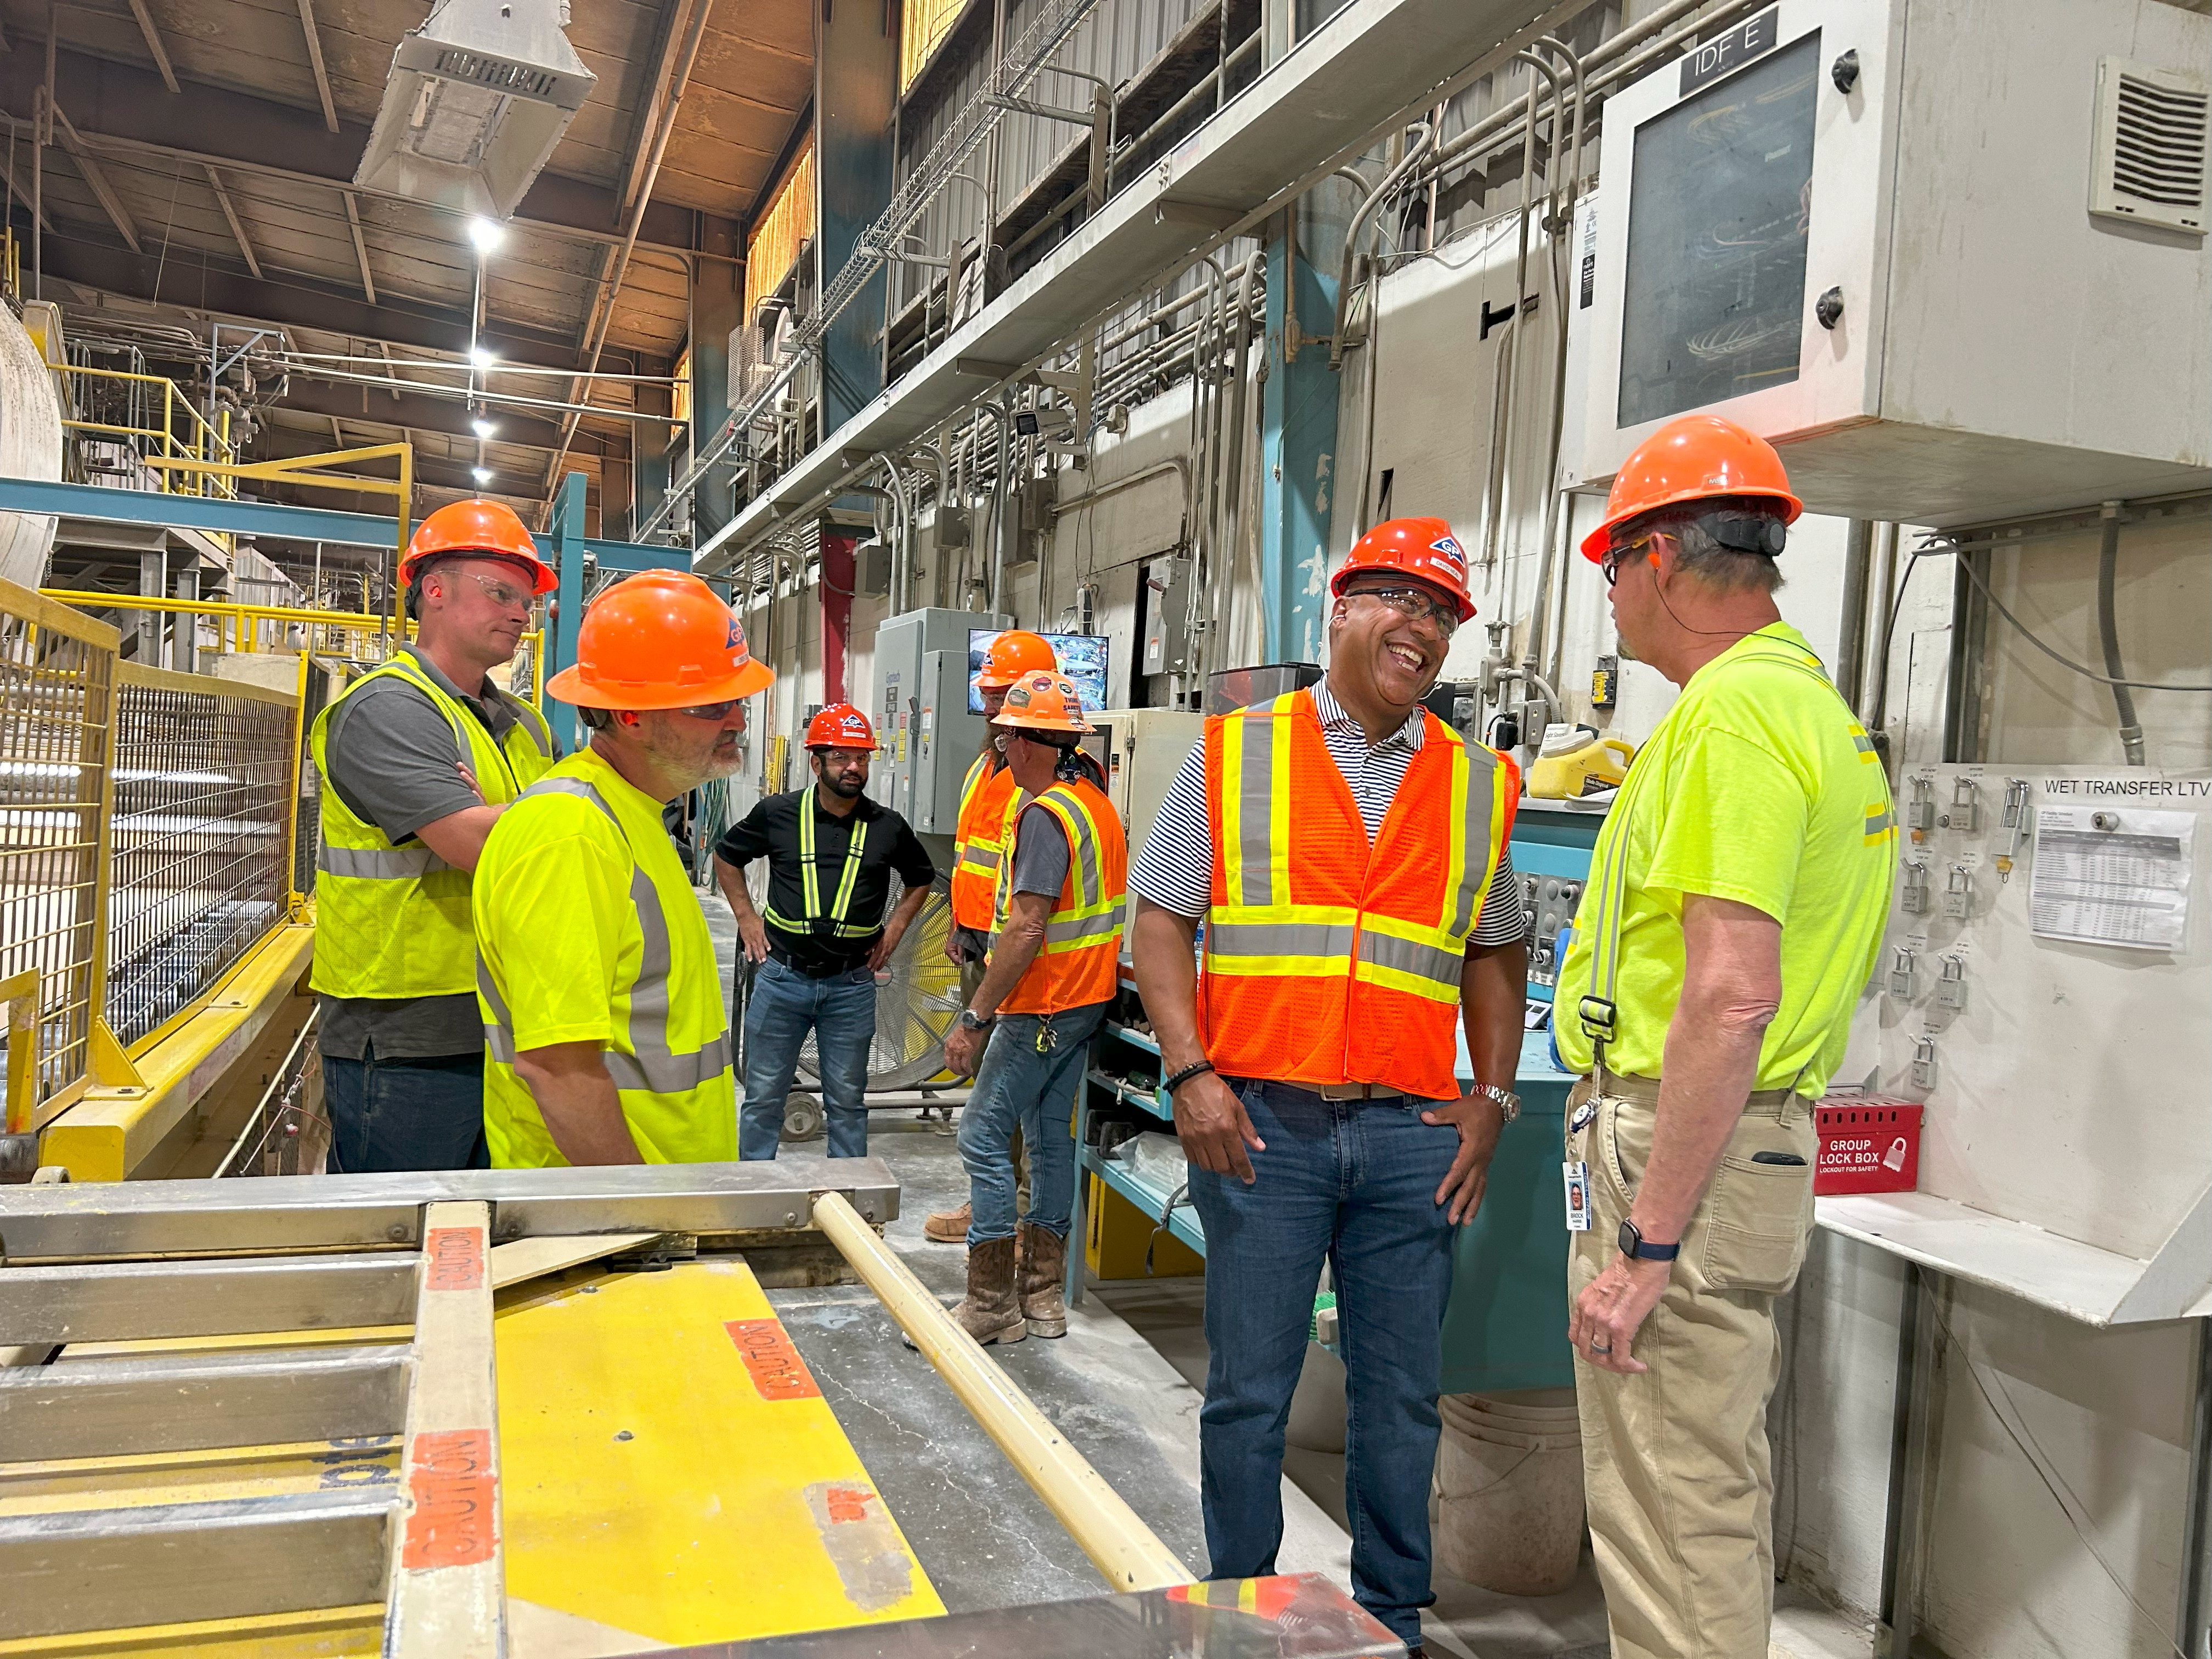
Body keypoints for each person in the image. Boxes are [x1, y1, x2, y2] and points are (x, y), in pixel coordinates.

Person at [1127, 517, 1530, 1655]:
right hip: (1262, 1128)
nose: (1427, 628)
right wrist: (1191, 1072)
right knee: (1249, 1395)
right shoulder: (1234, 752)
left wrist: (1492, 1104)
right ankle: (1241, 1610)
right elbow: (1159, 920)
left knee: (1399, 1402)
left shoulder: (1480, 785)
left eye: (1446, 613)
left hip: (1413, 1139)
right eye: (1403, 599)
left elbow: (1495, 955)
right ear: (1341, 608)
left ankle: (1391, 1616)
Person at [1551, 414, 1896, 1659]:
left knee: (1666, 1506)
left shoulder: (1735, 720)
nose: (1608, 595)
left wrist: (1648, 1242)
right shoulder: (1811, 710)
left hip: (1682, 1155)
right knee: (1697, 1484)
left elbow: (1731, 994)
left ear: (1654, 560)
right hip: (1729, 1143)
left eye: (1608, 569)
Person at [473, 569, 770, 1166]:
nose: (737, 719)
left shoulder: (633, 813)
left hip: (664, 1198)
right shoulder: (571, 835)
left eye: (738, 698)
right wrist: (650, 1220)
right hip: (609, 1224)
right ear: (630, 714)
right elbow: (557, 1069)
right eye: (712, 703)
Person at [310, 498, 557, 1172]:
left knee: (490, 1232)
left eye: (528, 601)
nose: (520, 613)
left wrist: (505, 819)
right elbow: (476, 844)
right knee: (402, 1236)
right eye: (502, 592)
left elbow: (556, 843)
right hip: (403, 1033)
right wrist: (520, 823)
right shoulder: (388, 708)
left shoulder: (525, 723)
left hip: (511, 1014)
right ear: (436, 590)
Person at [939, 672, 1125, 1344]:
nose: (1003, 749)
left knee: (982, 1135)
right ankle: (1042, 1299)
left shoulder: (1045, 816)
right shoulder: (1094, 802)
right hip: (1083, 1002)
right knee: (1050, 1143)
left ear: (1029, 744)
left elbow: (1024, 930)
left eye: (1009, 737)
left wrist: (975, 1018)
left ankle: (990, 1304)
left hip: (1039, 1006)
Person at [715, 703, 936, 1159]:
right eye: (840, 757)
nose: (853, 767)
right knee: (762, 1101)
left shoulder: (887, 826)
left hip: (851, 985)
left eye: (860, 758)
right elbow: (727, 856)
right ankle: (756, 1206)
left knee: (849, 1105)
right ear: (816, 763)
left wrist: (894, 930)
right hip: (782, 980)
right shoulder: (777, 813)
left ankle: (851, 1201)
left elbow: (921, 878)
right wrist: (746, 918)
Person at [925, 628, 1058, 1242]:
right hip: (979, 942)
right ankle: (989, 1200)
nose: (989, 706)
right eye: (988, 695)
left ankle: (1024, 1218)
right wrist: (960, 925)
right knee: (987, 1089)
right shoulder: (989, 763)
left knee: (1021, 1096)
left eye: (1000, 694)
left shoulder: (1047, 773)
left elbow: (1035, 888)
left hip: (1020, 956)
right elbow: (972, 851)